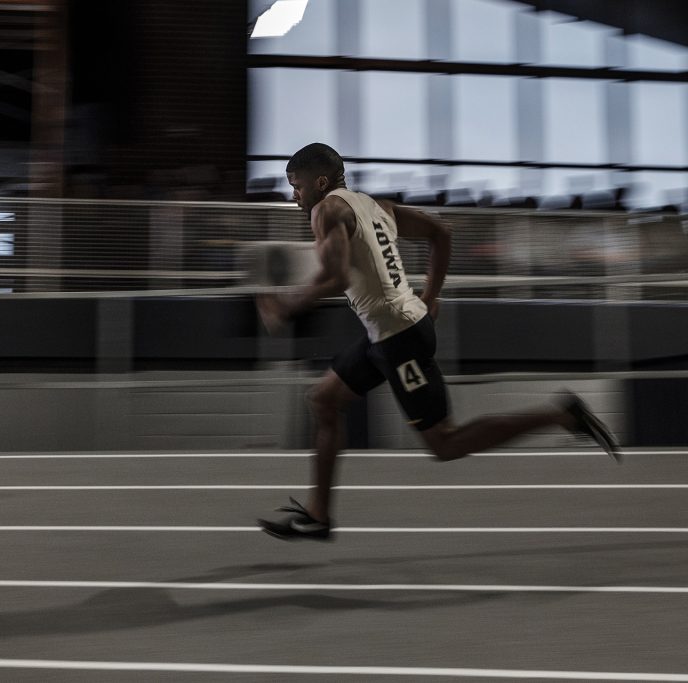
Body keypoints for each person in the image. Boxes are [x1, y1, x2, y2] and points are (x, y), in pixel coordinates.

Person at [256, 142, 620, 542]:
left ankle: (562, 415)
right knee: (323, 400)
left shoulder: (326, 210)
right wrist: (430, 297)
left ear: (320, 182)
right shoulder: (377, 207)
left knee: (444, 443)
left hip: (398, 339)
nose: (294, 196)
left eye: (297, 186)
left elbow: (336, 278)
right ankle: (318, 516)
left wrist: (284, 306)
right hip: (389, 331)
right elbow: (441, 233)